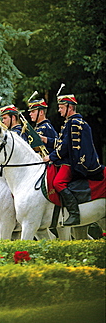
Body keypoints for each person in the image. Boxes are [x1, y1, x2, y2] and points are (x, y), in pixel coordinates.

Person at [43, 91, 103, 226]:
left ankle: (74, 213)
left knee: (58, 182)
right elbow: (61, 142)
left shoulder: (74, 123)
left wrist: (50, 157)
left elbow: (65, 147)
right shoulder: (70, 123)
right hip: (67, 160)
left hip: (72, 163)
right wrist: (45, 139)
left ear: (70, 107)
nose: (59, 110)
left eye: (61, 107)